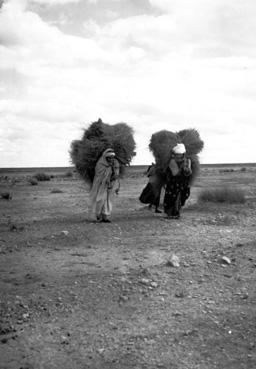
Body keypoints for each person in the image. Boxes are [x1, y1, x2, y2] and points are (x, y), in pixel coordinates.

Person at [89, 148, 120, 223]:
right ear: (105, 157)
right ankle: (98, 216)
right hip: (100, 186)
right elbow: (100, 176)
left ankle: (105, 217)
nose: (111, 159)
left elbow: (115, 174)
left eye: (112, 158)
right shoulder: (100, 164)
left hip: (109, 186)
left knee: (107, 201)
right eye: (109, 158)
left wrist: (114, 174)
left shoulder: (113, 164)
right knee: (100, 200)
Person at [163, 143, 192, 219]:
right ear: (174, 154)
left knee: (180, 198)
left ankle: (176, 213)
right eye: (177, 154)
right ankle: (172, 213)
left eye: (180, 154)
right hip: (173, 183)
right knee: (171, 198)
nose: (178, 156)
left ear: (183, 154)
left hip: (183, 183)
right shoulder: (171, 162)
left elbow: (189, 172)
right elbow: (172, 173)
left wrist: (186, 169)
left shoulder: (187, 161)